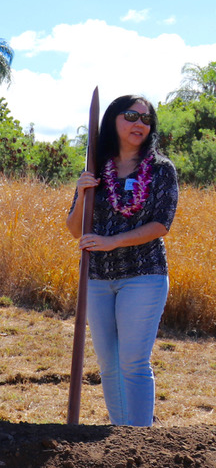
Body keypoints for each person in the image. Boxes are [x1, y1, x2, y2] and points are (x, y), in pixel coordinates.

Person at [66, 95, 177, 427]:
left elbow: (161, 225)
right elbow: (75, 229)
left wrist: (112, 241)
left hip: (143, 276)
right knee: (109, 365)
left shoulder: (161, 169)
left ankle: (140, 442)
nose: (139, 124)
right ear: (113, 120)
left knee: (133, 362)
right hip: (97, 278)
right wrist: (83, 191)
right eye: (131, 116)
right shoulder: (96, 168)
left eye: (146, 119)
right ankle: (120, 438)